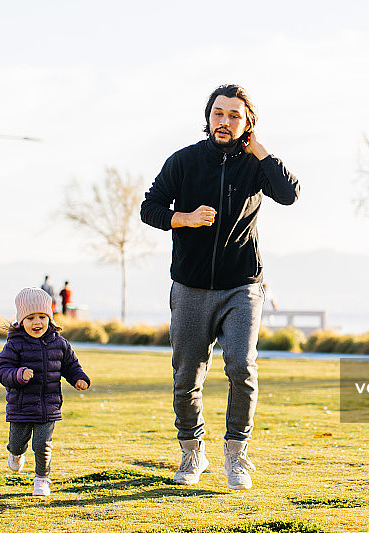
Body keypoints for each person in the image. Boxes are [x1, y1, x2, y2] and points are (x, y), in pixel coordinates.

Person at [140, 84, 300, 490]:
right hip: (190, 287)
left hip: (242, 286)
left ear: (247, 123)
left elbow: (289, 194)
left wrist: (260, 151)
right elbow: (150, 208)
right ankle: (193, 452)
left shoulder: (255, 165)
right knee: (186, 376)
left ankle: (236, 456)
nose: (224, 121)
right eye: (218, 113)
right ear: (208, 117)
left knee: (242, 368)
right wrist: (185, 217)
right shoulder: (184, 161)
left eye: (234, 115)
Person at [0, 287, 90, 496]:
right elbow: (2, 370)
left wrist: (79, 378)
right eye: (30, 318)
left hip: (49, 405)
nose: (36, 322)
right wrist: (19, 374)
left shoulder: (60, 343)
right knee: (18, 443)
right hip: (20, 405)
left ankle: (41, 479)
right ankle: (15, 453)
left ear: (50, 317)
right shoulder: (14, 344)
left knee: (42, 445)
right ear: (21, 321)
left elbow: (71, 365)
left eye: (41, 317)